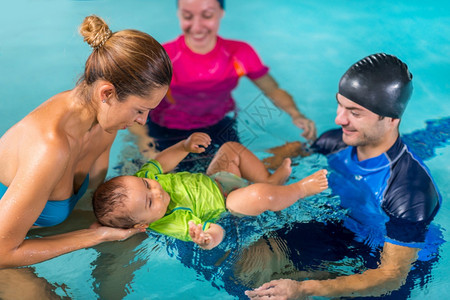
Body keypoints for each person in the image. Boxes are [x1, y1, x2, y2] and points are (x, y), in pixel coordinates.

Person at [245, 53, 441, 299]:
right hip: (342, 229)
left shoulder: (409, 190)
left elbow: (391, 276)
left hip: (386, 259)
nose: (339, 119)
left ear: (391, 119)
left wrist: (305, 288)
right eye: (340, 104)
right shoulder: (336, 142)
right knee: (251, 264)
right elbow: (296, 153)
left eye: (355, 113)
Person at [0, 15, 173, 268]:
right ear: (107, 93)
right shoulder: (49, 148)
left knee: (131, 237)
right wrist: (95, 235)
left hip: (23, 236)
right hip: (4, 249)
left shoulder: (105, 123)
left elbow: (92, 202)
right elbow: (2, 253)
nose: (143, 121)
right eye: (139, 110)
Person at [130, 0, 316, 158]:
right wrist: (143, 139)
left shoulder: (239, 53)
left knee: (237, 178)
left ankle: (292, 151)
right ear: (178, 15)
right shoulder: (165, 57)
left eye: (207, 15)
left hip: (219, 125)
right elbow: (135, 103)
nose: (196, 26)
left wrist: (295, 114)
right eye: (187, 16)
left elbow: (272, 90)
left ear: (221, 13)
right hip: (167, 130)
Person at [92, 132, 328, 250]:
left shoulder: (143, 179)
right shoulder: (170, 222)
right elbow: (215, 230)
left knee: (230, 149)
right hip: (229, 202)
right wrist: (206, 240)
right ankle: (299, 189)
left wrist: (184, 146)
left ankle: (269, 179)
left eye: (147, 185)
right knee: (258, 196)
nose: (156, 190)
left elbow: (162, 161)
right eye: (150, 202)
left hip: (216, 180)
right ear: (143, 226)